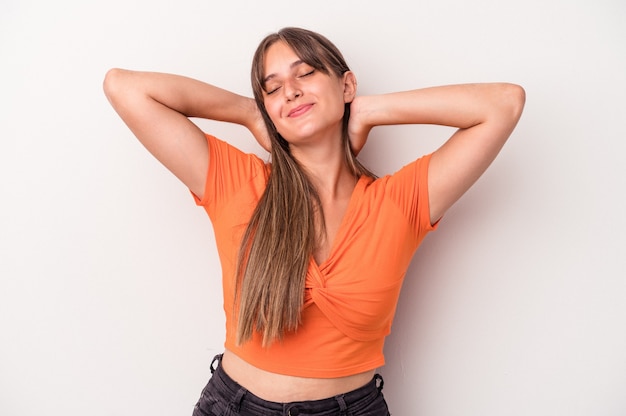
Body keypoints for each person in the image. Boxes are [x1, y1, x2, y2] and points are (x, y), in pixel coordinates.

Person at [103, 26, 525, 416]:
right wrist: (251, 114)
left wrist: (367, 110)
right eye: (272, 88)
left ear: (345, 84)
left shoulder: (400, 202)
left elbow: (503, 103)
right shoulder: (239, 183)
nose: (290, 92)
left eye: (305, 74)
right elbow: (124, 87)